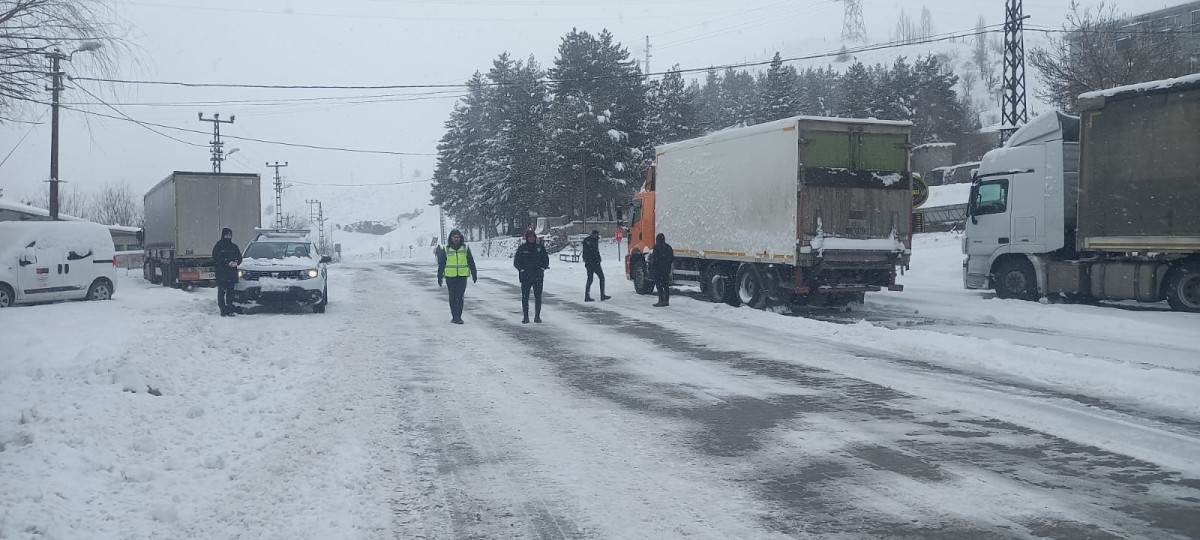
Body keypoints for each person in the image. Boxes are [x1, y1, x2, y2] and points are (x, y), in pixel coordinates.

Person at [437, 229, 477, 324]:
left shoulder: (465, 248)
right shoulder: (446, 249)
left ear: (460, 238)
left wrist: (474, 273)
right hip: (450, 277)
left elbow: (471, 261)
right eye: (454, 237)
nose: (456, 239)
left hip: (462, 276)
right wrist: (439, 276)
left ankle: (458, 316)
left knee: (460, 296)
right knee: (452, 296)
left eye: (457, 237)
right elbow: (442, 264)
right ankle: (454, 316)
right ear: (451, 238)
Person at [512, 230, 550, 323]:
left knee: (538, 297)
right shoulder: (522, 248)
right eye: (530, 237)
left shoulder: (540, 248)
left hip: (538, 276)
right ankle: (526, 317)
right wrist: (521, 270)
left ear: (535, 238)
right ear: (527, 238)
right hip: (526, 277)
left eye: (533, 237)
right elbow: (516, 261)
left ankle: (537, 316)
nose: (531, 238)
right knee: (525, 297)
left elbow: (546, 260)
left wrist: (542, 268)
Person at [212, 227, 242, 316]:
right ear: (223, 235)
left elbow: (239, 257)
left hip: (231, 274)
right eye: (226, 235)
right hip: (222, 273)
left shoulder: (234, 246)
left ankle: (230, 307)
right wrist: (227, 262)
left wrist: (236, 262)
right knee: (221, 292)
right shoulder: (218, 246)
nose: (228, 237)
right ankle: (223, 309)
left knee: (230, 292)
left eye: (229, 235)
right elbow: (216, 258)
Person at [582, 229, 611, 302]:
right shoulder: (594, 241)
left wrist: (586, 260)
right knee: (601, 277)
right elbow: (595, 251)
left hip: (588, 263)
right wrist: (598, 259)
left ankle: (587, 296)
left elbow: (585, 252)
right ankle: (602, 295)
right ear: (596, 235)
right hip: (595, 263)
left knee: (590, 279)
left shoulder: (586, 240)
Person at [650, 232, 674, 307]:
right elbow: (671, 259)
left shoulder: (657, 248)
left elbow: (655, 260)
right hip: (666, 270)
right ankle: (666, 300)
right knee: (666, 285)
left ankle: (661, 300)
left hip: (659, 270)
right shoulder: (669, 247)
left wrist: (653, 268)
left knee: (659, 285)